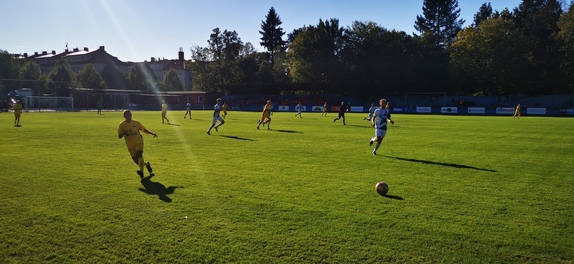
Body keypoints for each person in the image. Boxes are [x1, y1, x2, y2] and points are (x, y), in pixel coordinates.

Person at [118, 110, 158, 178]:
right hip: (130, 145)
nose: (129, 116)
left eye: (130, 114)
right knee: (137, 161)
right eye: (127, 115)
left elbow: (144, 130)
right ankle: (147, 164)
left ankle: (141, 173)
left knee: (139, 154)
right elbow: (119, 136)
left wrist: (152, 133)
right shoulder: (122, 125)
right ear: (124, 116)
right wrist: (123, 133)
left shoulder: (136, 123)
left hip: (138, 142)